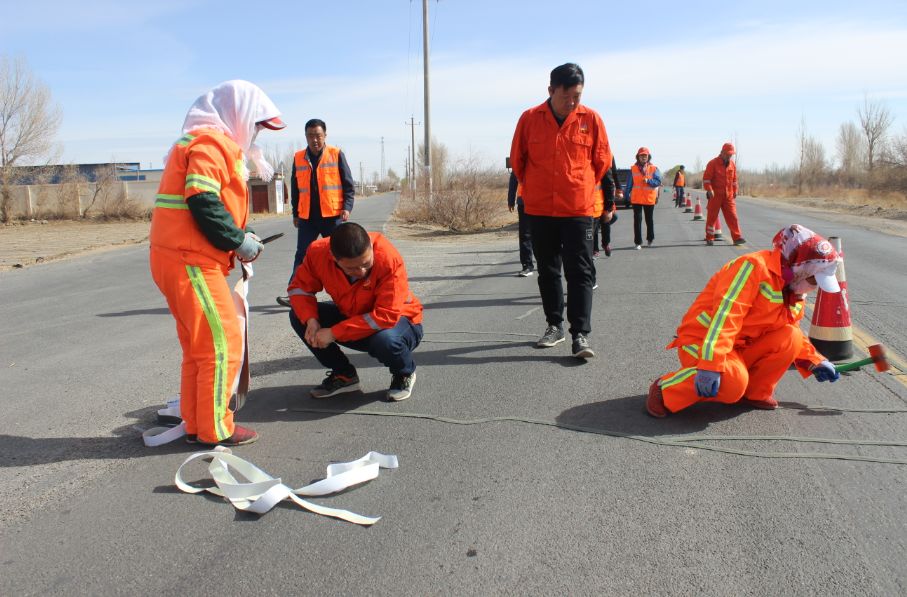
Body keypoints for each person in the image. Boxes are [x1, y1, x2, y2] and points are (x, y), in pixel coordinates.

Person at [149, 80, 285, 446]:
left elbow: (214, 206)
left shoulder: (203, 142)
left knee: (200, 347)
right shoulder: (212, 143)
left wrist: (244, 233)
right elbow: (202, 200)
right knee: (221, 341)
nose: (256, 133)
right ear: (236, 114)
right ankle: (215, 428)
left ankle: (197, 423)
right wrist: (239, 242)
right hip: (190, 260)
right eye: (256, 124)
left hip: (180, 257)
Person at [646, 225, 842, 418]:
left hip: (740, 345)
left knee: (791, 335)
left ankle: (753, 393)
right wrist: (711, 364)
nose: (814, 287)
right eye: (814, 280)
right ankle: (666, 390)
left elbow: (791, 330)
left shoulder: (794, 289)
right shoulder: (752, 267)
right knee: (732, 385)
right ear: (799, 267)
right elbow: (726, 317)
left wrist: (814, 361)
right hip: (705, 342)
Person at [509, 62, 611, 359]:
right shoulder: (529, 119)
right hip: (540, 209)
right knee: (548, 270)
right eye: (566, 96)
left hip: (578, 208)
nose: (572, 102)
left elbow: (602, 161)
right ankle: (554, 326)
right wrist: (539, 187)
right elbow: (519, 161)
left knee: (580, 272)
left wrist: (579, 183)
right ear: (551, 90)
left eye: (577, 96)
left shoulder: (590, 119)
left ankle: (580, 334)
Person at [287, 222, 424, 401]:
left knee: (386, 341)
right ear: (333, 258)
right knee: (298, 315)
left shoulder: (388, 258)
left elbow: (385, 316)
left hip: (399, 323)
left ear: (370, 248)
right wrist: (311, 320)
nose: (361, 271)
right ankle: (344, 376)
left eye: (366, 263)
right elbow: (299, 289)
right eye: (351, 268)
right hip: (355, 320)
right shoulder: (317, 253)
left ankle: (404, 373)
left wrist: (334, 332)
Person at [275, 119, 356, 307]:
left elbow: (348, 185)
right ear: (306, 137)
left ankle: (351, 291)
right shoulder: (298, 157)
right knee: (302, 255)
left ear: (325, 136)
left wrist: (347, 207)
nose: (315, 140)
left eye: (318, 136)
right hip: (307, 218)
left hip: (332, 215)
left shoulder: (336, 154)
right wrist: (295, 213)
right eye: (311, 136)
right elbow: (295, 189)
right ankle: (295, 294)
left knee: (339, 254)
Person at [703, 143, 744, 246]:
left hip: (728, 196)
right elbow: (706, 179)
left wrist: (735, 190)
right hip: (715, 196)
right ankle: (709, 237)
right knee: (712, 217)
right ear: (722, 152)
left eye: (731, 154)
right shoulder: (712, 163)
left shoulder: (732, 164)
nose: (730, 156)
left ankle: (737, 238)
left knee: (733, 217)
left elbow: (734, 180)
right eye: (728, 154)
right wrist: (709, 189)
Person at [624, 147, 661, 249]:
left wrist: (649, 181)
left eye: (645, 155)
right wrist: (626, 195)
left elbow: (658, 182)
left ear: (648, 157)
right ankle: (638, 242)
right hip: (636, 199)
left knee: (649, 220)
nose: (643, 157)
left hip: (649, 199)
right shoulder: (633, 169)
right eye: (641, 155)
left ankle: (650, 239)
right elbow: (629, 184)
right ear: (638, 157)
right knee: (637, 221)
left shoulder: (654, 168)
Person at [593, 158, 623, 258]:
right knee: (594, 226)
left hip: (606, 199)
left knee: (606, 222)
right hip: (593, 200)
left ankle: (606, 244)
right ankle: (595, 250)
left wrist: (619, 189)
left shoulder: (609, 155)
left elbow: (614, 174)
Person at [507, 171, 534, 276]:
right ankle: (527, 266)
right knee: (525, 235)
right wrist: (511, 200)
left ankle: (545, 263)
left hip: (542, 202)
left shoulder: (543, 158)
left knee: (542, 235)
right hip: (523, 202)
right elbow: (514, 179)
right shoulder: (521, 159)